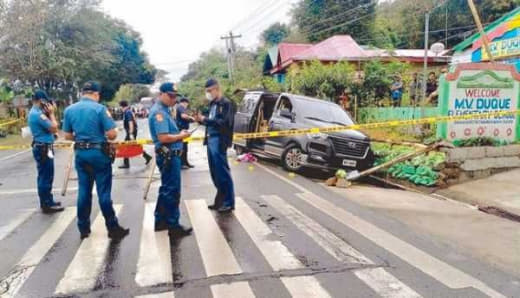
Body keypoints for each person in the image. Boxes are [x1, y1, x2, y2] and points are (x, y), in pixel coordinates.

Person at [62, 81, 129, 240]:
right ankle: (112, 227)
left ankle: (83, 228)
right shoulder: (100, 109)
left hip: (81, 154)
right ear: (96, 94)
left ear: (83, 92)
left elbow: (68, 136)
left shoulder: (70, 110)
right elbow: (112, 134)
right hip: (98, 154)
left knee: (84, 190)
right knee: (103, 192)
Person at [148, 82, 193, 237]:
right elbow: (164, 137)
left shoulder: (165, 110)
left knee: (166, 189)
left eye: (175, 96)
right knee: (172, 190)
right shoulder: (159, 112)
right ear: (161, 94)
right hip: (168, 155)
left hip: (169, 155)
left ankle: (160, 221)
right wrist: (181, 136)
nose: (174, 99)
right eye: (171, 96)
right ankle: (173, 226)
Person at [195, 79, 236, 213]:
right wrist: (201, 121)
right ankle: (220, 201)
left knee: (223, 172)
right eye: (206, 91)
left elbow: (224, 123)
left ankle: (229, 202)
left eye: (209, 91)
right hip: (211, 139)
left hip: (219, 140)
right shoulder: (213, 104)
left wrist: (205, 120)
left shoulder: (226, 103)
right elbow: (211, 121)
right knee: (215, 173)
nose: (208, 94)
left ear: (216, 89)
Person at [28, 90, 64, 214]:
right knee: (45, 176)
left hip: (43, 146)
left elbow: (51, 131)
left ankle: (48, 200)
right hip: (43, 148)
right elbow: (54, 127)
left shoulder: (38, 113)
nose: (48, 104)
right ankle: (46, 204)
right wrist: (52, 114)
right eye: (46, 102)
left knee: (46, 175)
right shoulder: (38, 114)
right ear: (41, 101)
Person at [118, 100, 152, 169]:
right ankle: (147, 156)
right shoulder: (128, 111)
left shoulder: (127, 112)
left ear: (122, 106)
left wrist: (131, 133)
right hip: (131, 131)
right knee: (134, 146)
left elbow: (131, 123)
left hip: (131, 132)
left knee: (125, 146)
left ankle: (126, 164)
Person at [176, 97, 196, 169]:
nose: (187, 105)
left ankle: (186, 163)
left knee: (185, 148)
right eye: (187, 104)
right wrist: (191, 118)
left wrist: (190, 120)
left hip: (183, 130)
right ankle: (182, 164)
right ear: (185, 102)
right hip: (181, 130)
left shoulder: (180, 108)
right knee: (182, 148)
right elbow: (183, 116)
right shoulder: (180, 107)